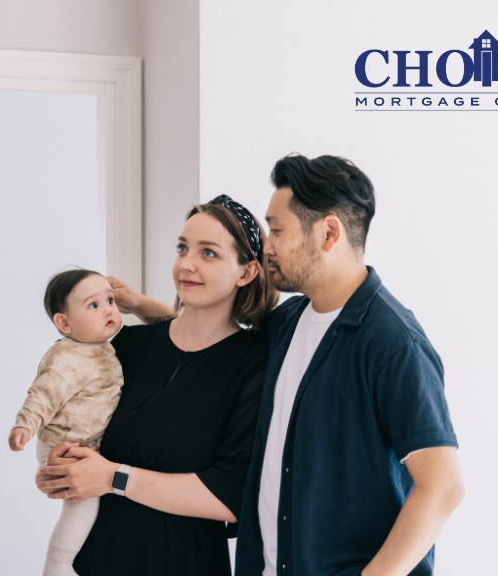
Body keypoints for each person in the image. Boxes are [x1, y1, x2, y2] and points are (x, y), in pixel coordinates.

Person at [112, 154, 465, 576]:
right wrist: (142, 306)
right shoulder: (287, 322)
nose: (267, 247)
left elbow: (442, 487)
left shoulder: (392, 342)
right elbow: (210, 334)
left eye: (277, 230)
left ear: (329, 233)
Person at [35, 195, 279, 576]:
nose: (187, 264)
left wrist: (112, 477)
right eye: (182, 248)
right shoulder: (126, 347)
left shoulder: (254, 365)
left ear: (246, 273)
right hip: (97, 561)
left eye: (208, 253)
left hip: (183, 562)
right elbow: (79, 428)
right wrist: (61, 468)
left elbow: (230, 496)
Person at [8, 269, 125, 576]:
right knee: (84, 503)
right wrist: (24, 426)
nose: (108, 310)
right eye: (93, 305)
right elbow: (43, 395)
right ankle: (57, 564)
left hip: (85, 440)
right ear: (64, 323)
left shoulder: (101, 347)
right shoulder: (67, 358)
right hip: (63, 444)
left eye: (110, 300)